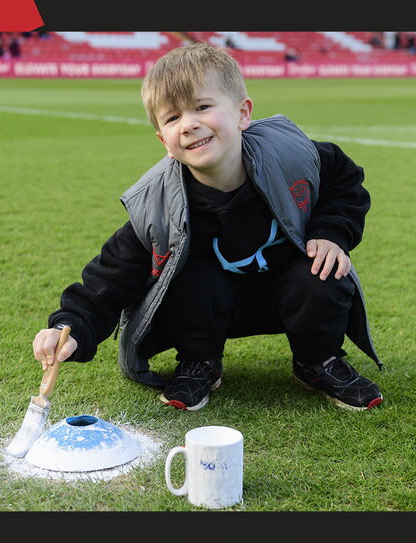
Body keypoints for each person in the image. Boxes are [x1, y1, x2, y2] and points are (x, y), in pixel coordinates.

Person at [31, 43, 384, 412]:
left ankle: (318, 361)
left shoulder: (293, 154)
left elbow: (345, 181)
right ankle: (200, 362)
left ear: (242, 113)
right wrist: (70, 327)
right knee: (183, 276)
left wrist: (331, 233)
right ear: (163, 142)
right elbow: (111, 277)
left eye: (202, 107)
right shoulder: (158, 203)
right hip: (212, 304)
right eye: (172, 118)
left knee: (322, 271)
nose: (189, 124)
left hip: (290, 288)